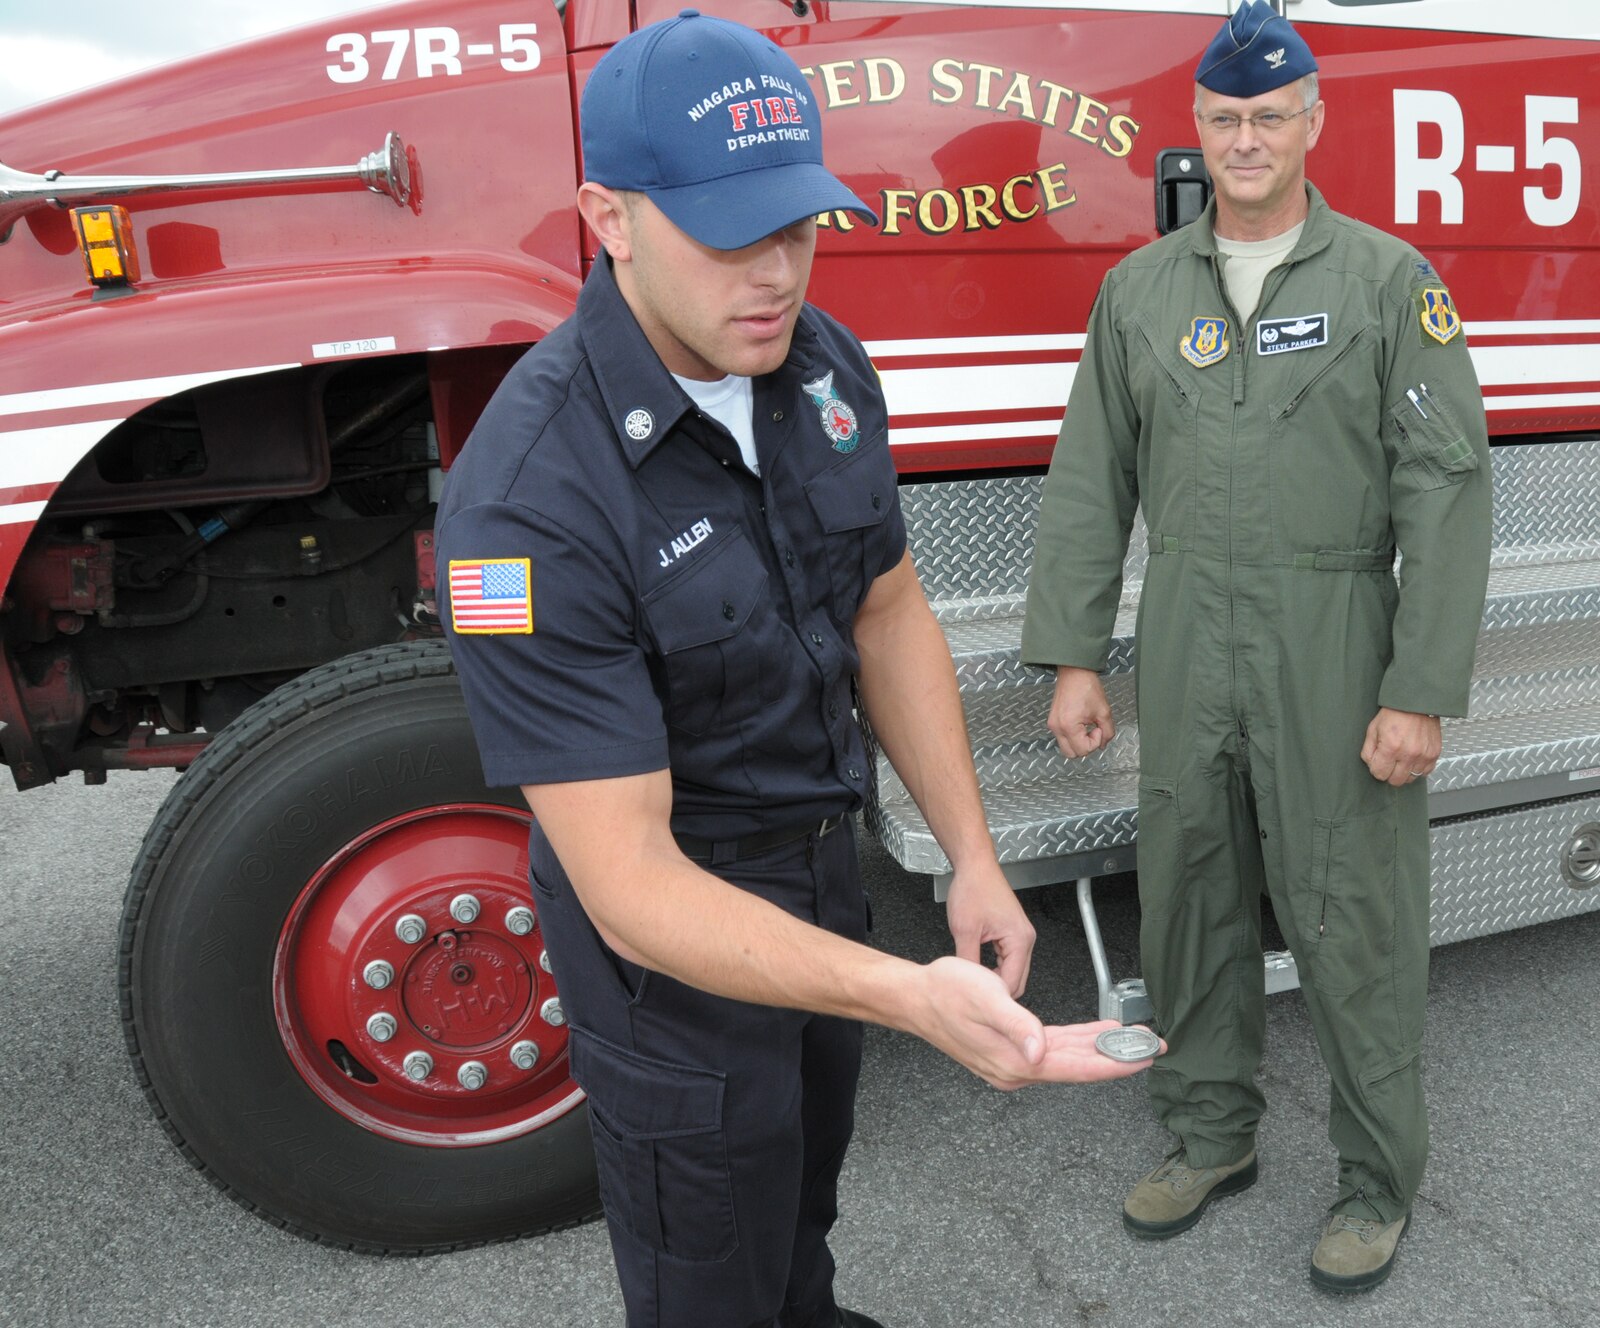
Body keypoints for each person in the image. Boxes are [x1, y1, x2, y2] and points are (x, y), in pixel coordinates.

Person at [435, 13, 1150, 1327]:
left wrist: (972, 859)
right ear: (613, 216)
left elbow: (886, 610)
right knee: (709, 1265)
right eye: (729, 233)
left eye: (800, 226)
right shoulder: (530, 504)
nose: (775, 274)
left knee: (800, 1205)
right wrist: (900, 994)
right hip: (676, 965)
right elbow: (633, 882)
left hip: (824, 878)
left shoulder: (818, 364)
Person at [1019, 0, 1492, 1296]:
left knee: (1354, 914)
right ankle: (1212, 1133)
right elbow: (1087, 482)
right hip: (1186, 625)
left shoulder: (1388, 283)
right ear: (1199, 128)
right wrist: (1074, 658)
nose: (1246, 138)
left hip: (1332, 628)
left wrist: (1420, 689)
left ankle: (1377, 1176)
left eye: (1268, 116)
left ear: (1311, 122)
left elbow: (1445, 490)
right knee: (1189, 891)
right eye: (1225, 118)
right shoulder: (1139, 292)